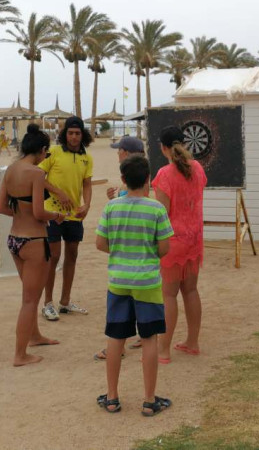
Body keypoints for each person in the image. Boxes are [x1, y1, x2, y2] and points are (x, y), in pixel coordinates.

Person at [95, 155, 173, 416]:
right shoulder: (156, 210)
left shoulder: (111, 208)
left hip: (118, 281)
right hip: (147, 282)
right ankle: (149, 400)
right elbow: (164, 247)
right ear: (148, 179)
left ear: (123, 180)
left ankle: (112, 397)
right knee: (149, 338)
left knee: (116, 337)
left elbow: (100, 243)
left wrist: (121, 253)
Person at [0, 124, 66, 366]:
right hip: (35, 240)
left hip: (15, 238)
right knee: (29, 299)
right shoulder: (36, 173)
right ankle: (20, 354)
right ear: (42, 150)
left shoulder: (11, 169)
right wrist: (56, 216)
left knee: (31, 295)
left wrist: (20, 214)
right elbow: (38, 212)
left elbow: (1, 206)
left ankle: (34, 336)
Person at [152, 126, 207, 363]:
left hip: (173, 242)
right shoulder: (197, 168)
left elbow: (162, 213)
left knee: (168, 295)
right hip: (194, 238)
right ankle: (192, 342)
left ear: (163, 147)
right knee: (191, 290)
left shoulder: (164, 174)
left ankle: (163, 350)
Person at [94, 135, 147, 361]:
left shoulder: (139, 175)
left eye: (119, 150)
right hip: (141, 255)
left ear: (126, 152)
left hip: (129, 257)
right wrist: (116, 196)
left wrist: (117, 198)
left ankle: (120, 346)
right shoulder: (141, 172)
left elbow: (138, 202)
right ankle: (142, 336)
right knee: (139, 299)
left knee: (124, 303)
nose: (117, 154)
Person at [39, 116, 93, 320]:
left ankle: (65, 301)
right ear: (65, 134)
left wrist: (87, 205)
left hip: (74, 215)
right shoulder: (53, 152)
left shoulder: (87, 158)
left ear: (82, 135)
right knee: (53, 257)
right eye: (70, 133)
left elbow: (87, 184)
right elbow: (38, 176)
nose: (74, 137)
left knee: (72, 255)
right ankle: (47, 303)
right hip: (52, 213)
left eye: (77, 133)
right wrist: (58, 192)